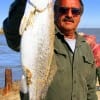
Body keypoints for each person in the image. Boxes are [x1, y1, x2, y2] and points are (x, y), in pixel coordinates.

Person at [3, 0, 98, 100]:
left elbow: (90, 88)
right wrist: (22, 3)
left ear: (80, 16)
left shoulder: (86, 47)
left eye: (75, 11)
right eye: (63, 10)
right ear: (55, 12)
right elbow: (13, 37)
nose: (69, 15)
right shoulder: (43, 32)